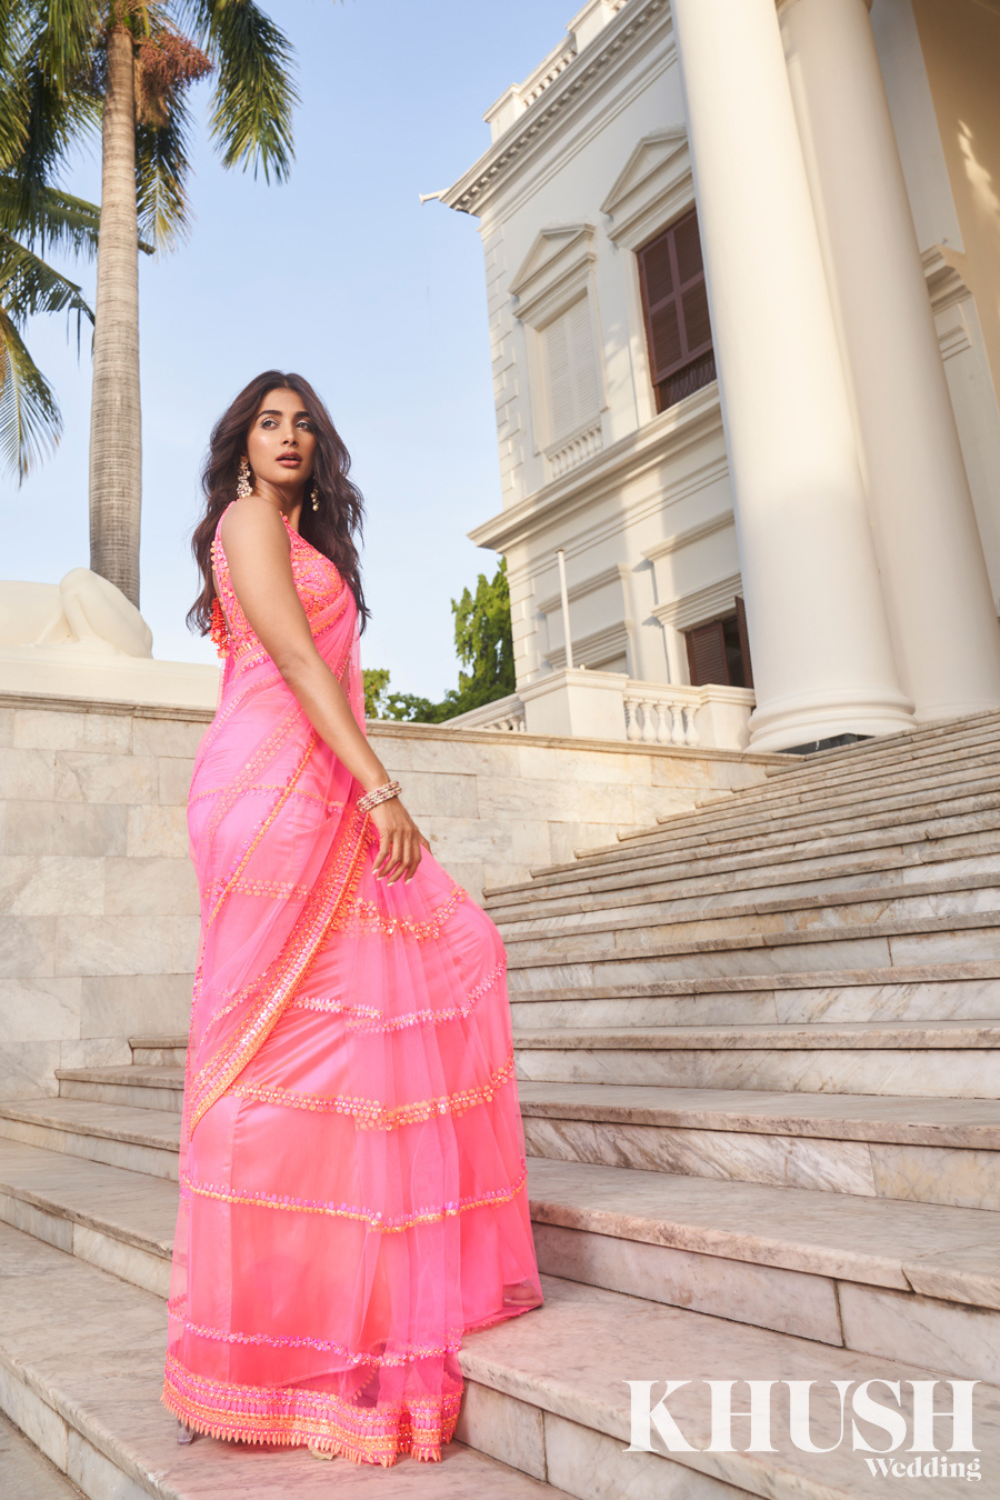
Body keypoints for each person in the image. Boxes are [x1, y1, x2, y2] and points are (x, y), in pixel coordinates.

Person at [161, 370, 543, 1466]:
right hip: (275, 793)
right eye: (269, 423)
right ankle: (256, 1345)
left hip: (316, 781)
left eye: (304, 426)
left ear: (319, 450)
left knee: (441, 966)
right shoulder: (244, 520)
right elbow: (287, 657)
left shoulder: (298, 533)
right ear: (240, 445)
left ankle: (347, 1297)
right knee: (270, 1058)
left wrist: (363, 783)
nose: (288, 438)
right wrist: (381, 787)